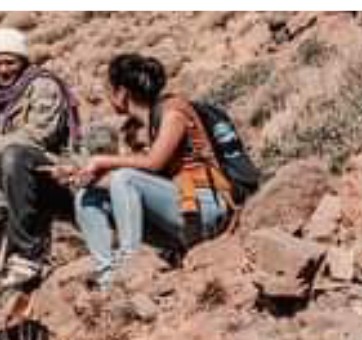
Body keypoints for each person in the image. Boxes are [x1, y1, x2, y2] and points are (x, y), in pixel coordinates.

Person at [61, 54, 234, 291]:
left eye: (109, 90)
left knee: (125, 177)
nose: (107, 97)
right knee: (88, 195)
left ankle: (130, 265)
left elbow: (154, 163)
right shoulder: (142, 127)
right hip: (180, 210)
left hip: (206, 208)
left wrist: (102, 161)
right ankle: (107, 277)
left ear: (121, 93)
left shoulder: (174, 112)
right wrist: (84, 175)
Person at [0, 26, 81, 292]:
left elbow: (37, 136)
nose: (3, 70)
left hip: (50, 169)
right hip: (7, 172)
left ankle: (27, 254)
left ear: (23, 62)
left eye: (10, 62)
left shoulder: (44, 86)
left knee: (13, 156)